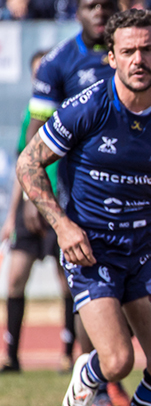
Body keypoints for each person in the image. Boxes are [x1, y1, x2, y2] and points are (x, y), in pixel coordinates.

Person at [17, 8, 151, 406]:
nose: (139, 59)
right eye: (129, 51)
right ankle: (89, 374)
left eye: (148, 50)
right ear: (112, 57)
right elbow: (28, 163)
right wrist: (62, 227)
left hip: (145, 243)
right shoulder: (90, 105)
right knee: (118, 361)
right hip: (91, 247)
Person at [27, 0, 132, 406]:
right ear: (78, 11)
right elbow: (36, 136)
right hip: (81, 198)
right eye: (91, 6)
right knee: (94, 290)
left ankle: (110, 375)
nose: (100, 13)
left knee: (130, 293)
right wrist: (34, 200)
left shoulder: (135, 54)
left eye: (107, 5)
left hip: (134, 193)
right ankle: (100, 385)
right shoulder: (58, 63)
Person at [1, 51, 77, 374]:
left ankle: (68, 353)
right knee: (15, 278)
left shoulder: (72, 112)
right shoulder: (30, 117)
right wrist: (12, 215)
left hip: (60, 204)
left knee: (67, 282)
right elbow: (23, 164)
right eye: (36, 74)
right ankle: (11, 356)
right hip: (29, 203)